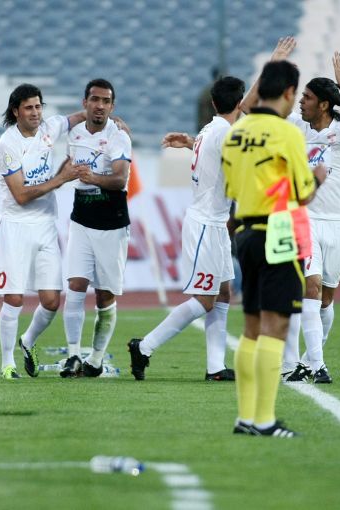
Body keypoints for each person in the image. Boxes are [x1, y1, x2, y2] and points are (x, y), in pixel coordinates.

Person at [243, 40, 340, 384]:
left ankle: (306, 361)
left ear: (324, 104)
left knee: (326, 299)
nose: (301, 101)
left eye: (308, 98)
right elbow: (248, 109)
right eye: (300, 97)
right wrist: (273, 64)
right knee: (310, 288)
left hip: (338, 224)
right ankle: (318, 365)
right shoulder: (293, 128)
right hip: (304, 219)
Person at [221, 58, 326, 438]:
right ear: (288, 92)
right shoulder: (286, 134)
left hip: (246, 233)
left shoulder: (236, 133)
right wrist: (318, 178)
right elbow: (302, 192)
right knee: (276, 326)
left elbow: (232, 189)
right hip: (278, 231)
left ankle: (246, 417)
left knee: (251, 326)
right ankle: (264, 420)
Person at [128, 76, 245, 382]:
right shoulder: (225, 132)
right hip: (206, 224)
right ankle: (144, 346)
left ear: (214, 103)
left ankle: (215, 367)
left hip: (214, 222)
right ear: (240, 103)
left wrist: (190, 143)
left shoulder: (210, 129)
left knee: (223, 292)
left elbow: (214, 154)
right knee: (205, 299)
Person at [0, 83, 88, 380]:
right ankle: (7, 363)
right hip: (16, 227)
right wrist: (61, 178)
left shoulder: (49, 128)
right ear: (15, 111)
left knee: (51, 300)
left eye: (38, 107)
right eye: (28, 108)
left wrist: (111, 121)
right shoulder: (7, 145)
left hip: (45, 225)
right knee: (14, 298)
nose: (35, 113)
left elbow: (79, 117)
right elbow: (21, 195)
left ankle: (28, 340)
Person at [59, 78, 132, 378]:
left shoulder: (119, 136)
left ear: (112, 106)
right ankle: (73, 356)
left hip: (111, 222)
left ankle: (96, 359)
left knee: (105, 296)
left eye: (105, 101)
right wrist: (59, 178)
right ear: (85, 103)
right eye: (95, 99)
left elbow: (120, 179)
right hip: (81, 218)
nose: (100, 106)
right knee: (75, 285)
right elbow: (67, 162)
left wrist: (93, 179)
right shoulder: (74, 133)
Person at [196, 66, 221, 132]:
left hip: (208, 128)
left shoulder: (206, 92)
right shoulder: (215, 92)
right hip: (211, 128)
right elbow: (205, 113)